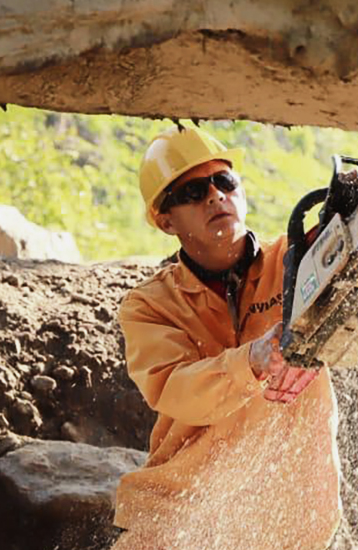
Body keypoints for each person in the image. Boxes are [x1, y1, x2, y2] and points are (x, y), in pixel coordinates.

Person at [109, 126, 342, 550]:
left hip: (291, 521)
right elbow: (175, 388)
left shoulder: (298, 259)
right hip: (177, 515)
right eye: (193, 191)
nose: (215, 196)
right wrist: (251, 360)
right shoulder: (150, 306)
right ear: (166, 221)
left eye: (224, 181)